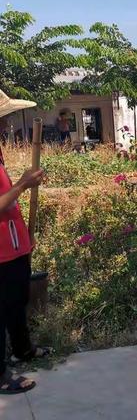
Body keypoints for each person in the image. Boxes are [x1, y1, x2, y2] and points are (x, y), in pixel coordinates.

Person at [0, 88, 51, 395]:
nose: (6, 125)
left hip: (14, 245)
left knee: (17, 302)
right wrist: (23, 184)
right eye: (2, 119)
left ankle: (23, 349)